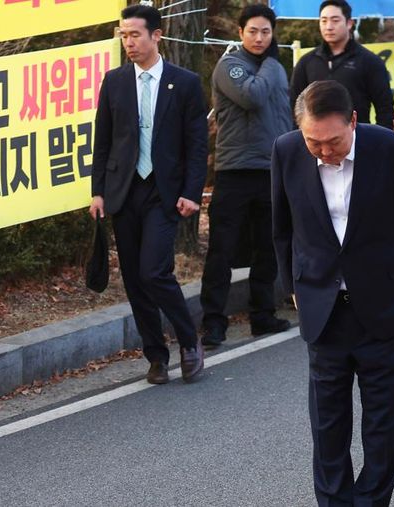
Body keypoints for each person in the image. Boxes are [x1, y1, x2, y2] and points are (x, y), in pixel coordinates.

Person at [272, 80, 394, 506]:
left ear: (354, 122)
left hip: (383, 303)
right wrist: (294, 286)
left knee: (383, 426)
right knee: (327, 426)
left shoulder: (392, 150)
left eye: (333, 141)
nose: (324, 151)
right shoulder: (287, 151)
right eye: (314, 142)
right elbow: (282, 227)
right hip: (323, 307)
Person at [89, 4, 207, 384]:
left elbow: (197, 144)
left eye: (135, 34)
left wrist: (192, 191)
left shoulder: (185, 82)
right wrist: (98, 193)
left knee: (154, 271)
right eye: (123, 35)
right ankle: (156, 356)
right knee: (135, 281)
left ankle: (190, 341)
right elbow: (102, 141)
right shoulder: (115, 81)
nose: (129, 42)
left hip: (164, 191)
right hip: (124, 191)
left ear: (157, 35)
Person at [199, 4, 292, 349]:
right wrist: (270, 62)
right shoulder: (231, 65)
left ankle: (263, 315)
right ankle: (213, 323)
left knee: (267, 248)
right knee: (222, 250)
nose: (259, 37)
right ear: (240, 33)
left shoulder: (277, 69)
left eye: (265, 32)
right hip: (235, 170)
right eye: (252, 31)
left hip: (271, 169)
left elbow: (286, 115)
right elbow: (251, 97)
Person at [289, 0, 394, 129]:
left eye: (335, 20)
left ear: (349, 23)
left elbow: (385, 108)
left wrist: (381, 143)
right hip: (315, 141)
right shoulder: (306, 62)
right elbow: (295, 107)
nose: (329, 26)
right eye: (323, 21)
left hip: (357, 140)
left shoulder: (369, 61)